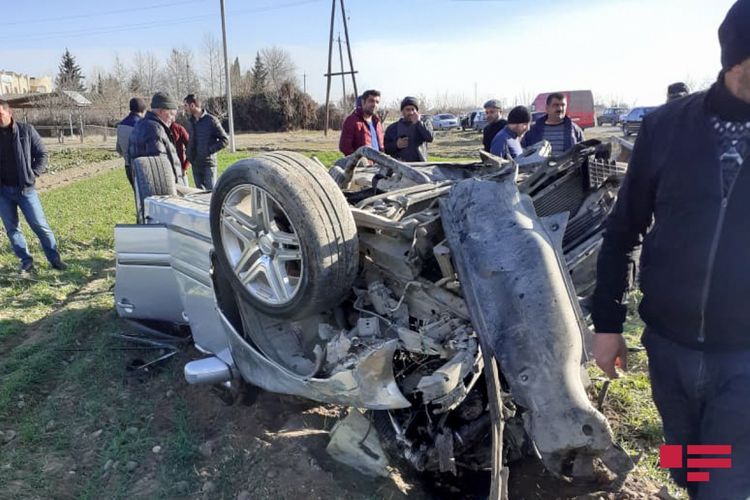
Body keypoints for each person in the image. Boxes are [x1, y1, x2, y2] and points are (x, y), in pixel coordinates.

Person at [591, 1, 750, 498]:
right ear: (735, 55)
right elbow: (624, 230)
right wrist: (609, 325)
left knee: (727, 484)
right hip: (667, 347)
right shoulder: (667, 126)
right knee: (688, 471)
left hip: (744, 357)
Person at [0, 100, 66, 273]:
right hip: (3, 192)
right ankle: (25, 261)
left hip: (25, 190)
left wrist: (33, 174)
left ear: (9, 112)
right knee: (12, 229)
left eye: (0, 115)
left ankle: (54, 259)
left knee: (39, 225)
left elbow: (42, 154)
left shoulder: (26, 131)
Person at [128, 91, 185, 187]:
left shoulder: (139, 125)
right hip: (163, 190)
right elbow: (160, 168)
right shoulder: (155, 129)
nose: (173, 119)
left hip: (145, 188)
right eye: (171, 114)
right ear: (161, 111)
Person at [183, 94, 228, 191]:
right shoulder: (190, 122)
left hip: (208, 164)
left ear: (192, 105)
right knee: (199, 194)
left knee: (211, 194)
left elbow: (225, 140)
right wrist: (189, 154)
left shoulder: (211, 120)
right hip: (195, 163)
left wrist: (208, 150)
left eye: (185, 105)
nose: (184, 108)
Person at [384, 96, 434, 162]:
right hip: (399, 166)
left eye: (413, 109)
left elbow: (430, 138)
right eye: (407, 110)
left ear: (417, 111)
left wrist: (419, 123)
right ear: (402, 111)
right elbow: (386, 149)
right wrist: (396, 145)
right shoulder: (392, 128)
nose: (411, 112)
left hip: (420, 165)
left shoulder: (424, 123)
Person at [339, 89, 384, 155]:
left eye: (377, 102)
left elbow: (381, 146)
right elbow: (344, 147)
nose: (374, 105)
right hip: (361, 164)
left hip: (379, 164)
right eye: (371, 101)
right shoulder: (352, 121)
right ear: (363, 102)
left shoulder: (377, 123)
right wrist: (358, 160)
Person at [116, 97, 146, 189]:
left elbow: (118, 149)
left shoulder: (120, 125)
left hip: (128, 166)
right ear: (143, 109)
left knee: (137, 195)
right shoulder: (142, 125)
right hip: (142, 166)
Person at [170, 120, 190, 185]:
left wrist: (185, 167)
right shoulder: (157, 128)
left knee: (185, 191)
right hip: (166, 168)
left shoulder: (178, 128)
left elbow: (191, 148)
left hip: (180, 168)